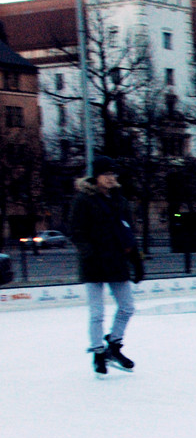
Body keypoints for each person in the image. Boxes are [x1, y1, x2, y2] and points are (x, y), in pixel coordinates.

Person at [68, 155, 143, 376]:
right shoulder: (83, 200)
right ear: (96, 176)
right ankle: (98, 353)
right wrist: (88, 252)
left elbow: (128, 232)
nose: (111, 178)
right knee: (97, 312)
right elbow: (76, 231)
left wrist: (136, 261)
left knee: (127, 307)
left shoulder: (120, 201)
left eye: (113, 174)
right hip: (93, 263)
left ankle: (114, 346)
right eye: (106, 174)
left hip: (117, 261)